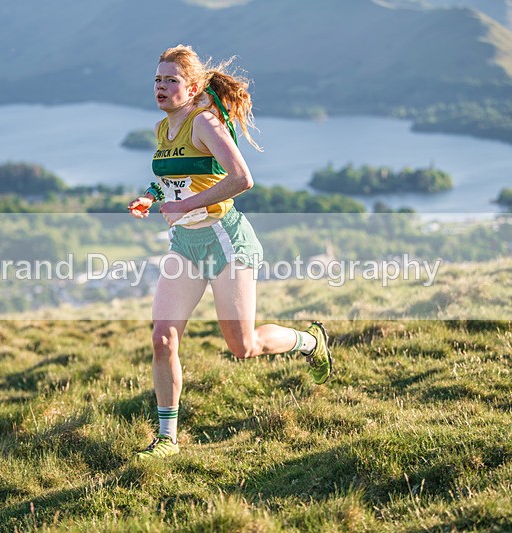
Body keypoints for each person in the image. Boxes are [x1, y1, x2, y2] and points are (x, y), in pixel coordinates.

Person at [127, 45, 333, 460]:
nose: (161, 87)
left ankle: (310, 342)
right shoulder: (161, 128)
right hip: (185, 245)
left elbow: (242, 178)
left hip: (226, 241)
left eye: (171, 80)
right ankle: (167, 439)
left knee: (243, 346)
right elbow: (174, 179)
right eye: (157, 80)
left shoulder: (204, 124)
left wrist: (185, 206)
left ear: (193, 87)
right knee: (163, 340)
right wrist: (151, 197)